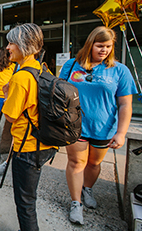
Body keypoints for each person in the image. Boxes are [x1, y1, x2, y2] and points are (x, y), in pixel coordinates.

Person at [59, 26, 137, 225]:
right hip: (75, 126)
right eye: (100, 45)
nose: (104, 50)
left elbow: (125, 103)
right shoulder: (72, 65)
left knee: (94, 163)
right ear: (90, 44)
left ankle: (87, 189)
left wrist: (121, 132)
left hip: (104, 127)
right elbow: (59, 92)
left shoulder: (120, 70)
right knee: (77, 163)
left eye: (108, 46)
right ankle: (76, 203)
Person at [2, 23, 57, 231]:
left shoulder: (21, 77)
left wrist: (7, 94)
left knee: (25, 203)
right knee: (29, 199)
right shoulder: (42, 70)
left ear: (23, 45)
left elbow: (9, 116)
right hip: (45, 143)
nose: (7, 47)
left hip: (27, 149)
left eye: (11, 43)